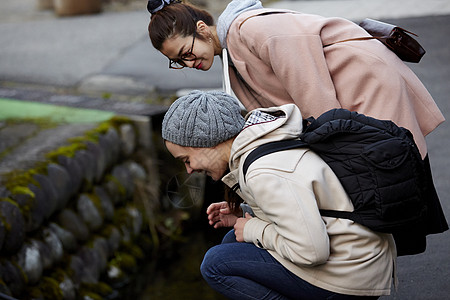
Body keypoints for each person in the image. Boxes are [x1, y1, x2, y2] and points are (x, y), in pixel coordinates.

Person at [148, 0, 448, 251]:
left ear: (202, 29)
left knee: (386, 170)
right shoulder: (231, 55)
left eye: (186, 53)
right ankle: (376, 255)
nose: (188, 64)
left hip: (364, 84)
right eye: (178, 61)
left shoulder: (251, 27)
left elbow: (310, 86)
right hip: (346, 95)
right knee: (375, 180)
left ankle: (373, 262)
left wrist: (331, 145)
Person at [161, 90, 396, 299]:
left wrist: (252, 228)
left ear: (207, 142)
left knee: (216, 264)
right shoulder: (265, 140)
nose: (189, 170)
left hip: (351, 274)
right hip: (359, 257)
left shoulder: (263, 171)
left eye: (186, 159)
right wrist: (245, 214)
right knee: (232, 242)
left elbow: (311, 251)